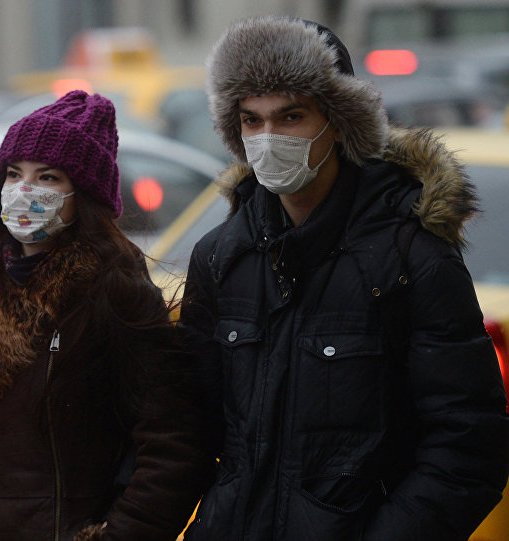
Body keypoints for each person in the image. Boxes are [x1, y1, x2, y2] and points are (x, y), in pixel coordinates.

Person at [177, 16, 509, 541]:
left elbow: (468, 450)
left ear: (338, 121)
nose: (269, 138)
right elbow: (186, 433)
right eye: (251, 120)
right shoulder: (221, 258)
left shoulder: (412, 258)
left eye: (290, 116)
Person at [0, 90, 212, 540]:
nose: (25, 190)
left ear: (81, 196)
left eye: (47, 177)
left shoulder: (114, 290)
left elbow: (174, 442)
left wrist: (120, 534)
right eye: (14, 174)